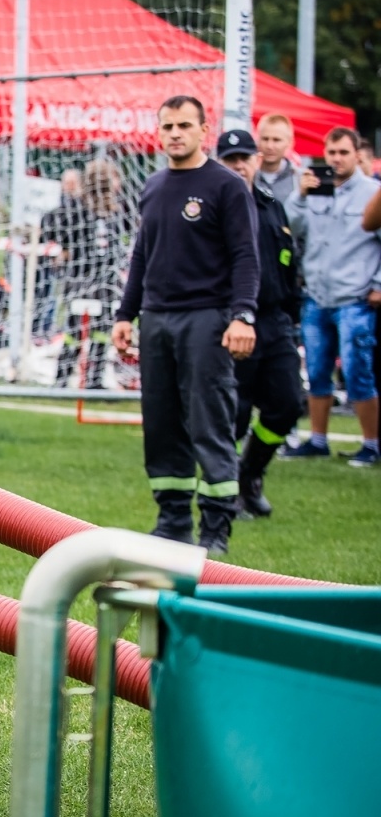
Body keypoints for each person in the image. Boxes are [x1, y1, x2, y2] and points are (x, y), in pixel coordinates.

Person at [112, 96, 258, 555]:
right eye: (167, 126)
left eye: (184, 125)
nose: (175, 133)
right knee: (161, 423)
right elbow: (141, 255)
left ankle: (215, 528)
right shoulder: (153, 186)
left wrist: (242, 315)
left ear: (203, 129)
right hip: (155, 318)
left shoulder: (226, 186)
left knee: (208, 421)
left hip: (206, 319)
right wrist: (124, 314)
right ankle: (172, 521)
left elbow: (245, 258)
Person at [214, 129, 302, 518]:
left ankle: (250, 472)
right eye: (230, 159)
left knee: (287, 404)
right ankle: (227, 488)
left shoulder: (270, 206)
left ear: (255, 161)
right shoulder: (213, 209)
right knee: (234, 413)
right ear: (219, 163)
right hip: (231, 322)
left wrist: (292, 316)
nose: (238, 165)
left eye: (244, 158)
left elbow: (288, 264)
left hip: (274, 322)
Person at [283, 126, 381, 466]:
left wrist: (379, 285)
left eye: (343, 153)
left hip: (355, 299)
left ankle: (371, 444)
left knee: (358, 372)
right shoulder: (314, 192)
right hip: (316, 296)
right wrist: (300, 195)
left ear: (357, 154)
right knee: (318, 371)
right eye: (331, 153)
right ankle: (318, 439)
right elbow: (290, 230)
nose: (337, 159)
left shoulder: (372, 192)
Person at [46, 160, 133, 388]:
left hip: (104, 281)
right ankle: (63, 379)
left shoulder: (115, 210)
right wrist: (67, 248)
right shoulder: (76, 208)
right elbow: (52, 226)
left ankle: (93, 379)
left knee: (101, 330)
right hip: (82, 279)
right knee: (76, 329)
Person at [255, 114, 300, 205]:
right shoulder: (247, 176)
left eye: (276, 140)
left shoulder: (299, 179)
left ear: (290, 142)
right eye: (265, 139)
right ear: (257, 140)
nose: (269, 146)